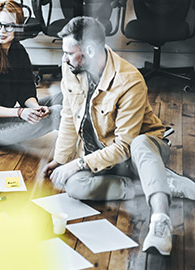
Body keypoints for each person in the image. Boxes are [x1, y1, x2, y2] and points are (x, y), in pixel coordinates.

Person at [42, 17, 195, 256]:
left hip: (141, 149)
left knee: (140, 142)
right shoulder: (71, 67)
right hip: (103, 154)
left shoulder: (129, 80)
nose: (64, 59)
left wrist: (79, 163)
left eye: (69, 53)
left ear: (90, 50)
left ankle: (160, 221)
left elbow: (125, 146)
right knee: (75, 187)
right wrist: (61, 160)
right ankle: (155, 183)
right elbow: (70, 117)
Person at [0, 0, 62, 147]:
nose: (2, 31)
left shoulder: (18, 50)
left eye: (9, 26)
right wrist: (20, 113)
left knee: (63, 97)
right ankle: (89, 151)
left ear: (18, 28)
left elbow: (25, 90)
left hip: (10, 115)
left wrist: (35, 107)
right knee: (57, 113)